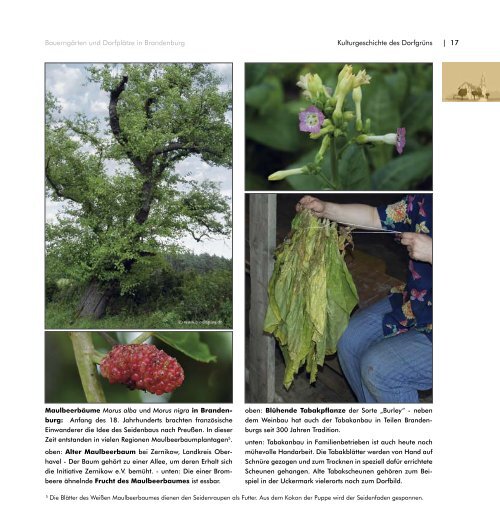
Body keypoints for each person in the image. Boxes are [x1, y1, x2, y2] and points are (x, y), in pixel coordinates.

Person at [297, 195, 432, 403]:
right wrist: (326, 209)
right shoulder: (426, 202)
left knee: (380, 370)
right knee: (349, 339)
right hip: (417, 303)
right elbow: (373, 216)